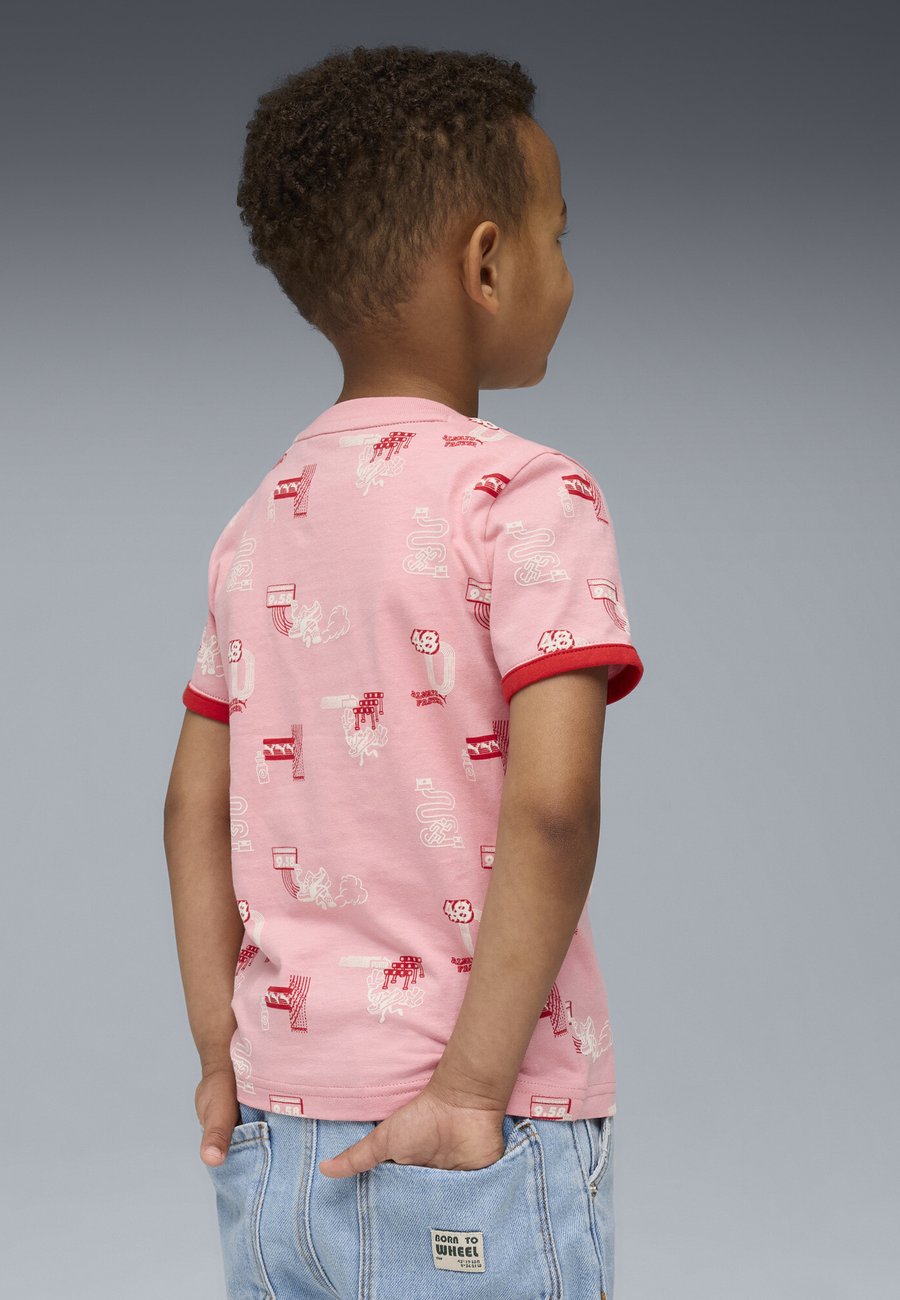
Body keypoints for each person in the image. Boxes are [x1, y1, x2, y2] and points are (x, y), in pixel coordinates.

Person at [164, 43, 644, 1300]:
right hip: (472, 1128)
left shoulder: (255, 523)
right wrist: (473, 1086)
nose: (567, 269)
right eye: (557, 235)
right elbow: (553, 803)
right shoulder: (529, 499)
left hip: (275, 1130)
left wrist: (222, 1061)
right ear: (486, 263)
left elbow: (191, 806)